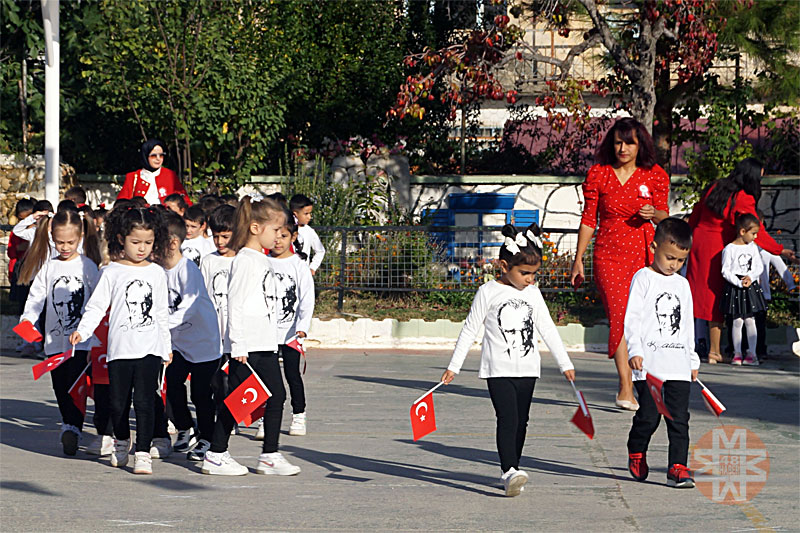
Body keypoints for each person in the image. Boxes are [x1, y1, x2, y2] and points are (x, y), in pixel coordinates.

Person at [441, 224, 576, 497]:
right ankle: (508, 471)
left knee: (522, 420)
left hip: (528, 369)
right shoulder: (488, 292)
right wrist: (454, 366)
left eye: (534, 274)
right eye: (524, 273)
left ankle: (513, 468)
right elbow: (470, 329)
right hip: (498, 369)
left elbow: (547, 328)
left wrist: (565, 363)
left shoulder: (533, 294)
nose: (529, 279)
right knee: (508, 418)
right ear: (504, 265)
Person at [570, 118, 669, 411]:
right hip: (608, 253)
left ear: (641, 145)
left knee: (641, 318)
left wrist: (655, 214)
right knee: (619, 316)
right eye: (618, 142)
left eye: (629, 142)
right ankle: (625, 385)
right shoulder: (599, 174)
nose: (623, 148)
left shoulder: (655, 175)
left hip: (644, 252)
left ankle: (643, 379)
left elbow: (665, 217)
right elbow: (589, 219)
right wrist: (578, 258)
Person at [201, 195, 301, 476]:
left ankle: (267, 455)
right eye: (275, 231)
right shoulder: (246, 260)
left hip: (264, 342)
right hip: (248, 346)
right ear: (256, 228)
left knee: (268, 396)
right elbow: (236, 303)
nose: (279, 237)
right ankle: (218, 454)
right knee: (246, 399)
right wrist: (239, 344)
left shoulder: (260, 259)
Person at [69, 207, 172, 475]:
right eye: (135, 242)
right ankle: (121, 441)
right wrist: (83, 330)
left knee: (146, 401)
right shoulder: (112, 272)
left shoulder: (157, 273)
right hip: (119, 349)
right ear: (120, 239)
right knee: (118, 402)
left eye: (148, 243)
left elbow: (162, 313)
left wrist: (166, 347)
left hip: (149, 349)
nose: (142, 249)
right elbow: (97, 306)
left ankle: (142, 452)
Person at [686, 158, 795, 364]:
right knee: (716, 298)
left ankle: (699, 346)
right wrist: (779, 250)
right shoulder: (743, 196)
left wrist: (688, 237)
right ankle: (715, 351)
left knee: (698, 296)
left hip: (699, 241)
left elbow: (696, 213)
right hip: (717, 245)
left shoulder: (715, 186)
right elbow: (757, 230)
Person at [18, 210, 101, 455]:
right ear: (52, 238)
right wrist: (27, 322)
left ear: (81, 237)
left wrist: (91, 331)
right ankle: (69, 424)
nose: (64, 247)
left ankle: (75, 426)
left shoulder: (89, 267)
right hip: (54, 342)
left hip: (82, 343)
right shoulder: (48, 267)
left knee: (76, 385)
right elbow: (36, 298)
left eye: (70, 242)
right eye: (59, 242)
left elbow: (98, 301)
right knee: (59, 386)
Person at [625, 218, 700, 489]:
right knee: (649, 415)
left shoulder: (682, 285)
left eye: (680, 260)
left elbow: (688, 326)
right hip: (649, 365)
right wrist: (635, 350)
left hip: (678, 364)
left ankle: (677, 466)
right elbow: (632, 318)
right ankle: (636, 448)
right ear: (654, 246)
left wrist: (692, 359)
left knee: (679, 418)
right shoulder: (643, 278)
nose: (674, 265)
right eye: (670, 257)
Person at [158, 212, 222, 462]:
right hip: (179, 343)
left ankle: (207, 437)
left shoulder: (188, 269)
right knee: (172, 386)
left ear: (173, 242)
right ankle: (185, 428)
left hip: (204, 342)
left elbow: (189, 306)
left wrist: (165, 326)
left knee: (201, 394)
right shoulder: (157, 270)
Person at [259, 210, 314, 439]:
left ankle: (298, 413)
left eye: (284, 236)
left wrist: (302, 326)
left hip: (291, 332)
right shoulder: (261, 262)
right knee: (265, 378)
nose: (278, 240)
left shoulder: (298, 265)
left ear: (293, 237)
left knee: (292, 374)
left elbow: (307, 297)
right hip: (265, 332)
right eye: (275, 235)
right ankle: (265, 416)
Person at [721, 213, 768, 366]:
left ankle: (752, 353)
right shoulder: (729, 249)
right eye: (753, 233)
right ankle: (737, 353)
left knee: (750, 320)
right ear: (742, 231)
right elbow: (725, 270)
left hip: (750, 286)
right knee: (736, 320)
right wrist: (739, 282)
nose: (755, 237)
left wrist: (751, 277)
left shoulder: (753, 248)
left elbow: (759, 266)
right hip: (736, 287)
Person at [116, 139, 192, 207]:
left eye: (161, 155)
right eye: (153, 155)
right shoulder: (132, 176)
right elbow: (121, 204)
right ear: (145, 156)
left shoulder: (170, 175)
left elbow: (184, 201)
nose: (158, 159)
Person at [290, 194, 325, 275]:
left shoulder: (309, 231)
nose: (309, 217)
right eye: (306, 214)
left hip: (304, 275)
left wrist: (313, 267)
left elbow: (320, 251)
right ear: (295, 214)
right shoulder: (285, 230)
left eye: (310, 213)